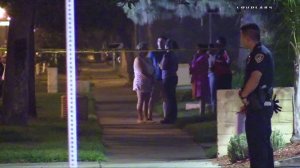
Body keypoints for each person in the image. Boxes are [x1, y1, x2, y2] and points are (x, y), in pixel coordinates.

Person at [239, 23, 275, 168]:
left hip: (260, 108)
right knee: (259, 145)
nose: (240, 39)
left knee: (258, 146)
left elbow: (255, 77)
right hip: (256, 106)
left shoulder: (260, 54)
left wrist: (243, 94)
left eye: (241, 36)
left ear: (247, 37)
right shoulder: (256, 54)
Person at [133, 42, 154, 123]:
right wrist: (150, 77)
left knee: (147, 100)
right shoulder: (138, 59)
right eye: (144, 49)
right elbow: (142, 71)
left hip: (148, 82)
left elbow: (152, 68)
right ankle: (140, 117)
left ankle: (146, 117)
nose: (146, 51)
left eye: (146, 49)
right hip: (141, 82)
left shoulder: (148, 59)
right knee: (141, 99)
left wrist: (152, 77)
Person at [160, 39, 179, 124]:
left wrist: (159, 65)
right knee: (172, 98)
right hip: (173, 76)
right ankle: (173, 116)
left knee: (167, 98)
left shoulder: (167, 55)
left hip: (167, 78)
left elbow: (163, 66)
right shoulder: (175, 55)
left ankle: (168, 117)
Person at [148, 36, 167, 121]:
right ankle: (149, 115)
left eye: (162, 41)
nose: (160, 43)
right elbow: (149, 64)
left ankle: (166, 116)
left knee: (165, 98)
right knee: (153, 97)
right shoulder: (153, 53)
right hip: (157, 78)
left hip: (165, 78)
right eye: (159, 41)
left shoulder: (167, 53)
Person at [189, 44, 210, 117]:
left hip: (201, 78)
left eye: (198, 49)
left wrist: (194, 59)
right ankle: (201, 112)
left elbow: (195, 66)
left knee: (202, 96)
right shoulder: (202, 57)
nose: (197, 50)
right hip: (199, 78)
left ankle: (202, 113)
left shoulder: (203, 57)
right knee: (200, 97)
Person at [207, 44, 217, 112]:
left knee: (212, 92)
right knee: (208, 93)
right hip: (207, 74)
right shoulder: (207, 56)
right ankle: (209, 109)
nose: (209, 50)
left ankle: (214, 109)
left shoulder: (215, 56)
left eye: (210, 48)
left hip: (213, 74)